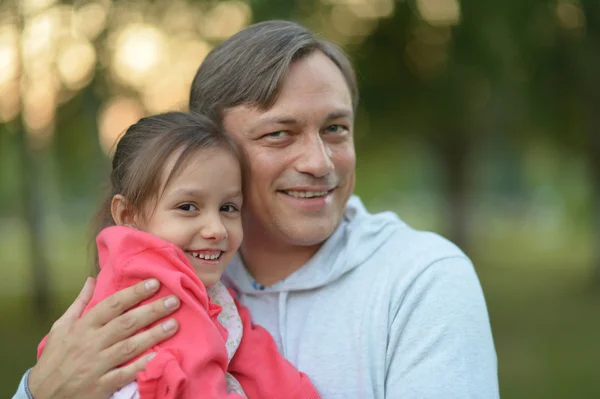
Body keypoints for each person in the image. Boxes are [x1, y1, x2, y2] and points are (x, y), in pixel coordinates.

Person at [13, 20, 499, 399]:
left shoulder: (421, 280)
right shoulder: (168, 275)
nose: (319, 162)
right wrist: (40, 391)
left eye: (335, 128)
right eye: (279, 134)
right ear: (214, 149)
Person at [35, 111, 320, 399]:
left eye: (228, 208)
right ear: (128, 215)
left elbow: (257, 359)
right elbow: (194, 384)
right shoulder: (152, 285)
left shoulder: (204, 288)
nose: (216, 229)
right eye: (187, 207)